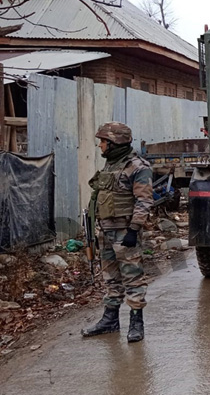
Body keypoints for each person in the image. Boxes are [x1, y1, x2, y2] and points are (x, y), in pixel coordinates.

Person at [81, 122, 153, 343]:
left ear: (115, 143)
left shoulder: (138, 167)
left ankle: (136, 322)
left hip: (125, 232)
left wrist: (134, 229)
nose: (100, 146)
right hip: (107, 232)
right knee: (111, 277)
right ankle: (110, 320)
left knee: (132, 277)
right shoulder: (111, 166)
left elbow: (144, 200)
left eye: (103, 141)